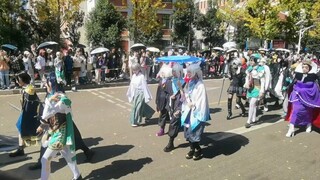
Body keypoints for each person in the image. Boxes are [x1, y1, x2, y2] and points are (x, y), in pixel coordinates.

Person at [28, 73, 94, 170]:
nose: (44, 84)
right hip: (54, 124)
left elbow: (48, 114)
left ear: (52, 83)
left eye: (46, 82)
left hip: (59, 125)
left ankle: (85, 155)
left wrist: (43, 123)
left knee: (73, 142)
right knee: (65, 146)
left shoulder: (58, 97)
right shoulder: (51, 93)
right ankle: (42, 161)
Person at [37, 73, 82, 180]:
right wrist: (43, 126)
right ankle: (77, 176)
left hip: (60, 134)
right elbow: (48, 118)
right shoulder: (52, 97)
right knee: (68, 155)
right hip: (55, 131)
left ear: (52, 84)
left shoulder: (62, 99)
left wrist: (49, 101)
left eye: (47, 84)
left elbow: (46, 115)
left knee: (45, 159)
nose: (45, 86)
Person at [180, 63, 210, 160]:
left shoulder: (200, 85)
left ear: (195, 73)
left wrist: (193, 105)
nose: (188, 74)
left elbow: (202, 101)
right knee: (188, 132)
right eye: (187, 72)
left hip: (196, 112)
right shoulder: (190, 83)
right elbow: (186, 94)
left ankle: (198, 150)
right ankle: (192, 148)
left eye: (190, 72)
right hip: (188, 111)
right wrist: (182, 90)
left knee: (194, 131)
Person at [8, 72, 41, 157]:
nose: (17, 81)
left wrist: (26, 113)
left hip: (28, 114)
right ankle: (21, 148)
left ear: (22, 80)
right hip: (25, 112)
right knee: (21, 128)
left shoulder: (29, 90)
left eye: (18, 80)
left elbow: (31, 104)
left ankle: (49, 147)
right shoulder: (27, 88)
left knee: (35, 130)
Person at [285, 60, 320, 137]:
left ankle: (308, 124)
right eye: (303, 67)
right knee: (295, 111)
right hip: (297, 95)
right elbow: (293, 83)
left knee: (308, 111)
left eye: (306, 67)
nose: (304, 69)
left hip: (309, 97)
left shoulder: (314, 76)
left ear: (309, 68)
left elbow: (315, 87)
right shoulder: (298, 75)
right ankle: (291, 128)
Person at [163, 63, 185, 152]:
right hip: (171, 105)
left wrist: (180, 108)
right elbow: (165, 94)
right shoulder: (169, 82)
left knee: (173, 123)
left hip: (179, 105)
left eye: (175, 71)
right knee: (174, 123)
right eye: (173, 71)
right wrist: (170, 97)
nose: (173, 73)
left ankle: (170, 142)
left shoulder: (183, 82)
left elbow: (185, 97)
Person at [243, 55, 266, 128]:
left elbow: (262, 81)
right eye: (250, 60)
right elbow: (247, 77)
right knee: (253, 104)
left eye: (252, 60)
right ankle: (253, 118)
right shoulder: (249, 68)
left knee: (252, 104)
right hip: (250, 88)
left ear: (256, 60)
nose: (251, 61)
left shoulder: (261, 69)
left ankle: (248, 121)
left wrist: (262, 91)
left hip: (257, 88)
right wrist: (246, 83)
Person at [155, 65, 172, 136]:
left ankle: (171, 129)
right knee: (162, 115)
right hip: (161, 101)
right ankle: (162, 129)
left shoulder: (170, 81)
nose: (161, 74)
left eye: (163, 72)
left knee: (170, 116)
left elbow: (170, 92)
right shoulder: (161, 81)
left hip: (168, 101)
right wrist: (157, 102)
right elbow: (158, 91)